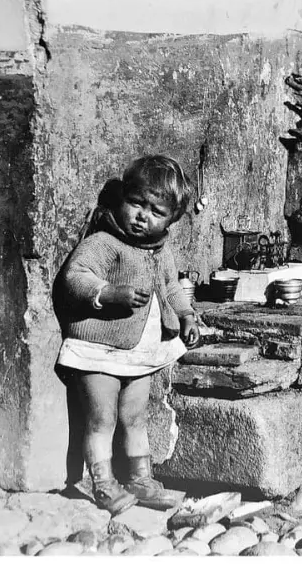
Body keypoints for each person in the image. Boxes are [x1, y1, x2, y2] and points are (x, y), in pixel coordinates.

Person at [53, 155, 200, 515]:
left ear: (171, 219)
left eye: (156, 211)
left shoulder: (160, 250)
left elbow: (171, 287)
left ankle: (140, 478)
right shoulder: (105, 242)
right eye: (136, 203)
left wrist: (187, 315)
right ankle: (101, 483)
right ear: (122, 199)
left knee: (135, 417)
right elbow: (75, 276)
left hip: (139, 353)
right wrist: (107, 293)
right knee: (101, 418)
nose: (142, 216)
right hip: (99, 349)